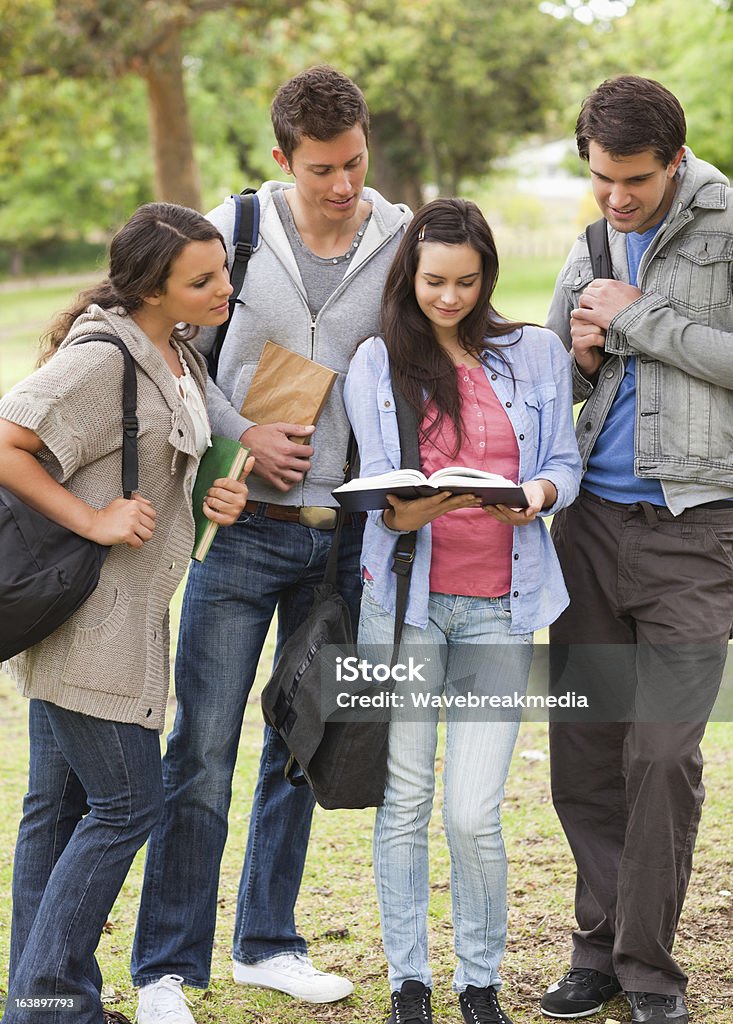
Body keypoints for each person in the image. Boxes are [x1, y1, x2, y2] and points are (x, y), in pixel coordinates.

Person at [131, 65, 412, 1022]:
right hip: (245, 528)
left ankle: (268, 944)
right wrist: (240, 433)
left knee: (300, 745)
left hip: (349, 537)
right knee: (201, 747)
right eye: (322, 169)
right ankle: (167, 965)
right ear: (281, 158)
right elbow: (173, 349)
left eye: (355, 165)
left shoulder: (401, 237)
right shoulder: (235, 232)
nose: (342, 186)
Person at [0, 203, 251, 1024]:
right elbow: (7, 440)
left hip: (118, 616)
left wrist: (212, 494)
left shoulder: (172, 350)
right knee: (128, 805)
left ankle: (42, 998)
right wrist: (94, 521)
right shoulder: (103, 360)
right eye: (201, 279)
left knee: (57, 811)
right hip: (91, 625)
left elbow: (158, 462)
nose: (222, 288)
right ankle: (44, 1005)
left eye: (221, 271)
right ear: (151, 286)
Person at [343, 198, 582, 1024]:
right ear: (409, 275)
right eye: (433, 281)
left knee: (472, 811)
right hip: (407, 604)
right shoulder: (377, 361)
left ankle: (477, 980)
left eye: (466, 282)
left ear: (486, 277)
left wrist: (538, 495)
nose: (448, 298)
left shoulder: (536, 353)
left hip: (502, 609)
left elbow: (561, 460)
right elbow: (382, 497)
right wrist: (425, 504)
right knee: (404, 803)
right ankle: (409, 980)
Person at [540, 76, 733, 1024]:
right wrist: (577, 358)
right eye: (600, 180)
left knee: (661, 755)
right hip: (586, 529)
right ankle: (596, 952)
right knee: (581, 751)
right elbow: (551, 369)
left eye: (634, 181)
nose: (615, 199)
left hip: (694, 531)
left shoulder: (727, 225)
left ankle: (651, 970)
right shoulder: (589, 240)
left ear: (676, 159)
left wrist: (634, 319)